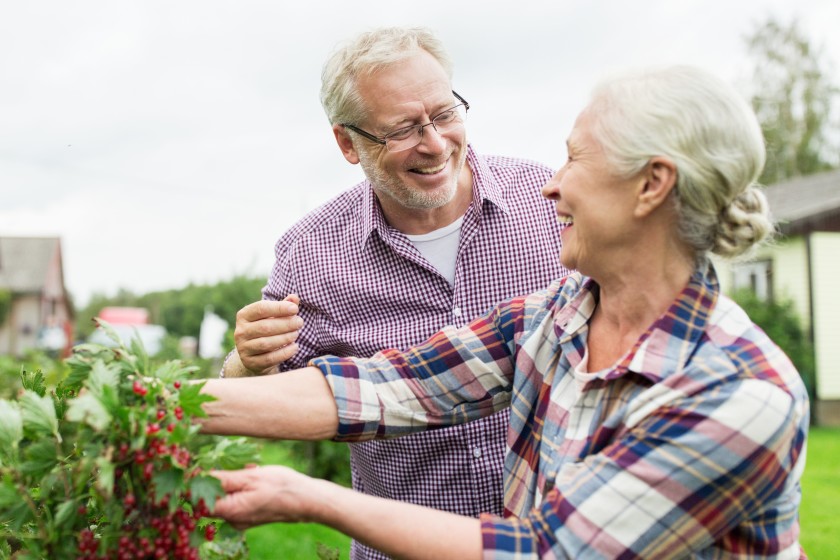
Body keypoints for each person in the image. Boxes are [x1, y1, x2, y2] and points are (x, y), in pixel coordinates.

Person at [202, 65, 810, 559]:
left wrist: (311, 498)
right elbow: (384, 388)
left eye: (576, 161)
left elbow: (550, 552)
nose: (552, 186)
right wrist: (154, 404)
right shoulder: (557, 318)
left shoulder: (739, 390)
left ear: (651, 185)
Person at [218, 26, 568, 559]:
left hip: (560, 542)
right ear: (346, 143)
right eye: (402, 128)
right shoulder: (311, 254)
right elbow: (276, 396)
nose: (434, 143)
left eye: (446, 113)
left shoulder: (547, 205)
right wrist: (248, 364)